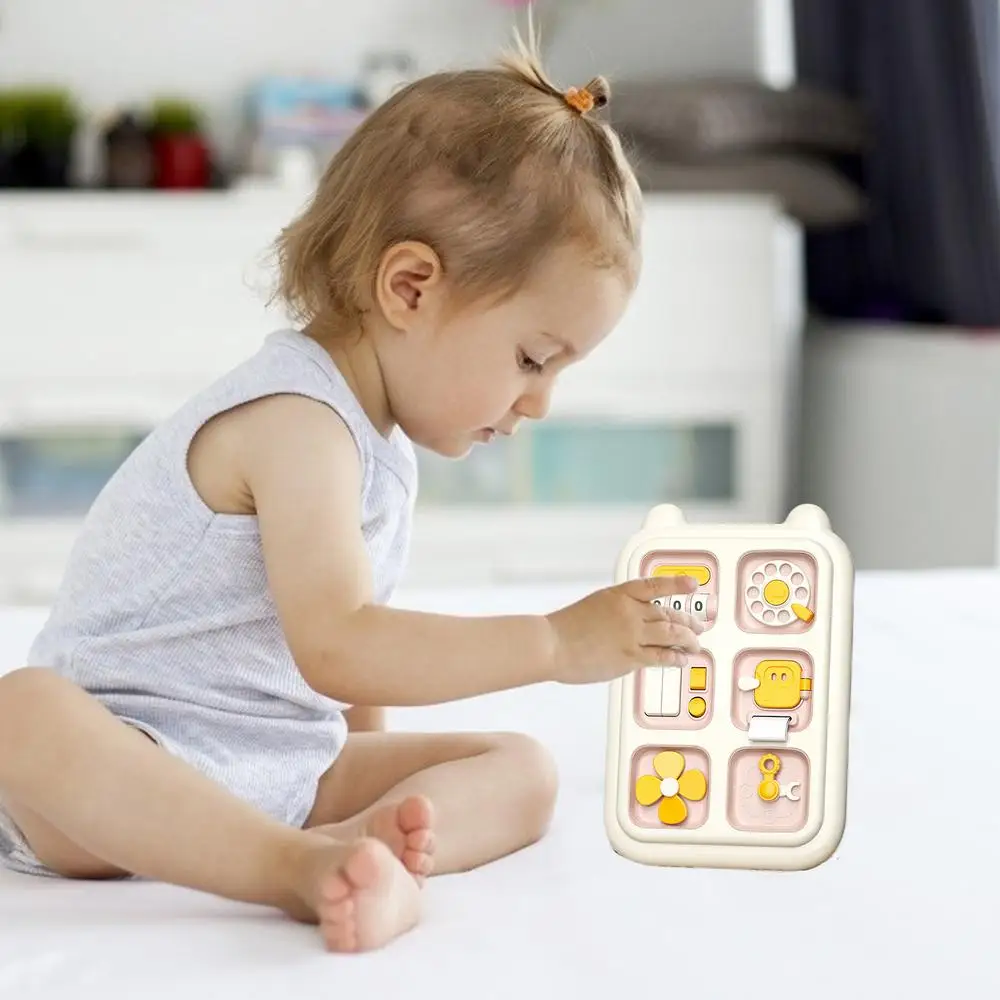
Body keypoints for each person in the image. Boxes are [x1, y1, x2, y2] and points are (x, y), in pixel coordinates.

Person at [0, 33, 704, 952]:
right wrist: (554, 642)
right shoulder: (296, 420)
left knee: (524, 770)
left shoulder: (378, 441)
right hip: (128, 766)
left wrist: (371, 769)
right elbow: (340, 643)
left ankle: (361, 854)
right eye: (533, 359)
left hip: (276, 770)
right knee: (24, 712)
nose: (538, 402)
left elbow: (348, 686)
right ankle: (288, 868)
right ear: (410, 287)